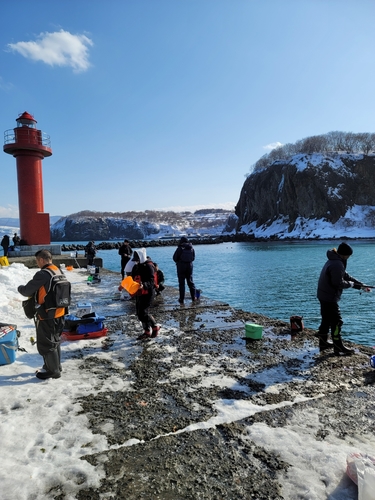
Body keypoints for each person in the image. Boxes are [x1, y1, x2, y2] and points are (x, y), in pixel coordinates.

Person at [17, 249, 67, 379]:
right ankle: (56, 365)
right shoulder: (58, 271)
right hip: (60, 313)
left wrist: (19, 288)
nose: (37, 264)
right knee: (55, 340)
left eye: (36, 261)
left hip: (47, 315)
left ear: (41, 260)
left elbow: (27, 291)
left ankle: (53, 371)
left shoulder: (43, 274)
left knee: (46, 344)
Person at [316, 242, 370, 355]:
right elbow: (338, 283)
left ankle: (323, 342)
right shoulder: (337, 264)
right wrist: (350, 284)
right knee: (337, 322)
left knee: (326, 320)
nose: (349, 257)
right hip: (329, 297)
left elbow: (346, 276)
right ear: (344, 254)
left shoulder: (334, 260)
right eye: (349, 255)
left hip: (323, 295)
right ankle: (338, 346)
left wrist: (361, 285)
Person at [132, 248, 160, 340]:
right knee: (139, 313)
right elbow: (132, 278)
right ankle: (146, 331)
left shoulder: (149, 266)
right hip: (139, 292)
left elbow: (151, 281)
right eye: (135, 260)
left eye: (137, 260)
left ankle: (155, 327)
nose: (136, 262)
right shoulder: (136, 267)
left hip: (148, 292)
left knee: (143, 312)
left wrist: (144, 285)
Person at [173, 236, 196, 304]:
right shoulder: (191, 248)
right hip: (189, 266)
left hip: (181, 266)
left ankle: (181, 299)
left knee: (181, 283)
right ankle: (193, 297)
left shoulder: (180, 248)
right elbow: (193, 258)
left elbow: (174, 258)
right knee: (190, 282)